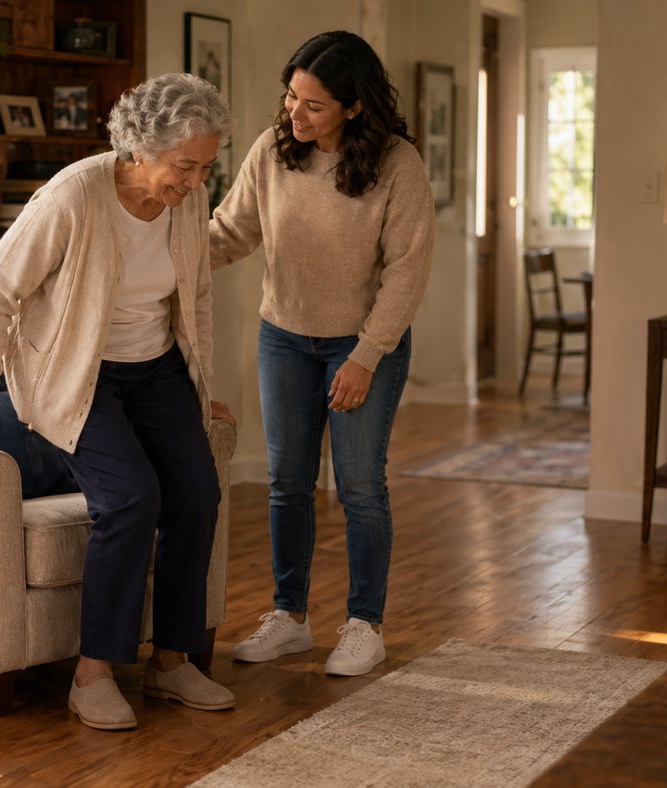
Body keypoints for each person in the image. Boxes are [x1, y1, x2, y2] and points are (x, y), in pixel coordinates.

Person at [0, 73, 235, 731]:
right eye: (184, 166)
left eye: (205, 167)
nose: (194, 182)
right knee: (132, 497)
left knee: (197, 491)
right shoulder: (74, 197)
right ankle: (94, 673)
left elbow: (196, 297)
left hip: (155, 367)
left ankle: (171, 661)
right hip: (78, 372)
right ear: (139, 147)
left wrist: (201, 389)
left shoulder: (186, 200)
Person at [210, 31, 434, 677]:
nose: (294, 115)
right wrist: (154, 253)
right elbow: (231, 231)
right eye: (291, 99)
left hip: (364, 344)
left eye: (312, 105)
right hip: (284, 335)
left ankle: (365, 625)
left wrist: (364, 357)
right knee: (287, 483)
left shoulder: (398, 166)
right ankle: (289, 618)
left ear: (354, 106)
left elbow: (406, 274)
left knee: (359, 488)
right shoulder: (273, 152)